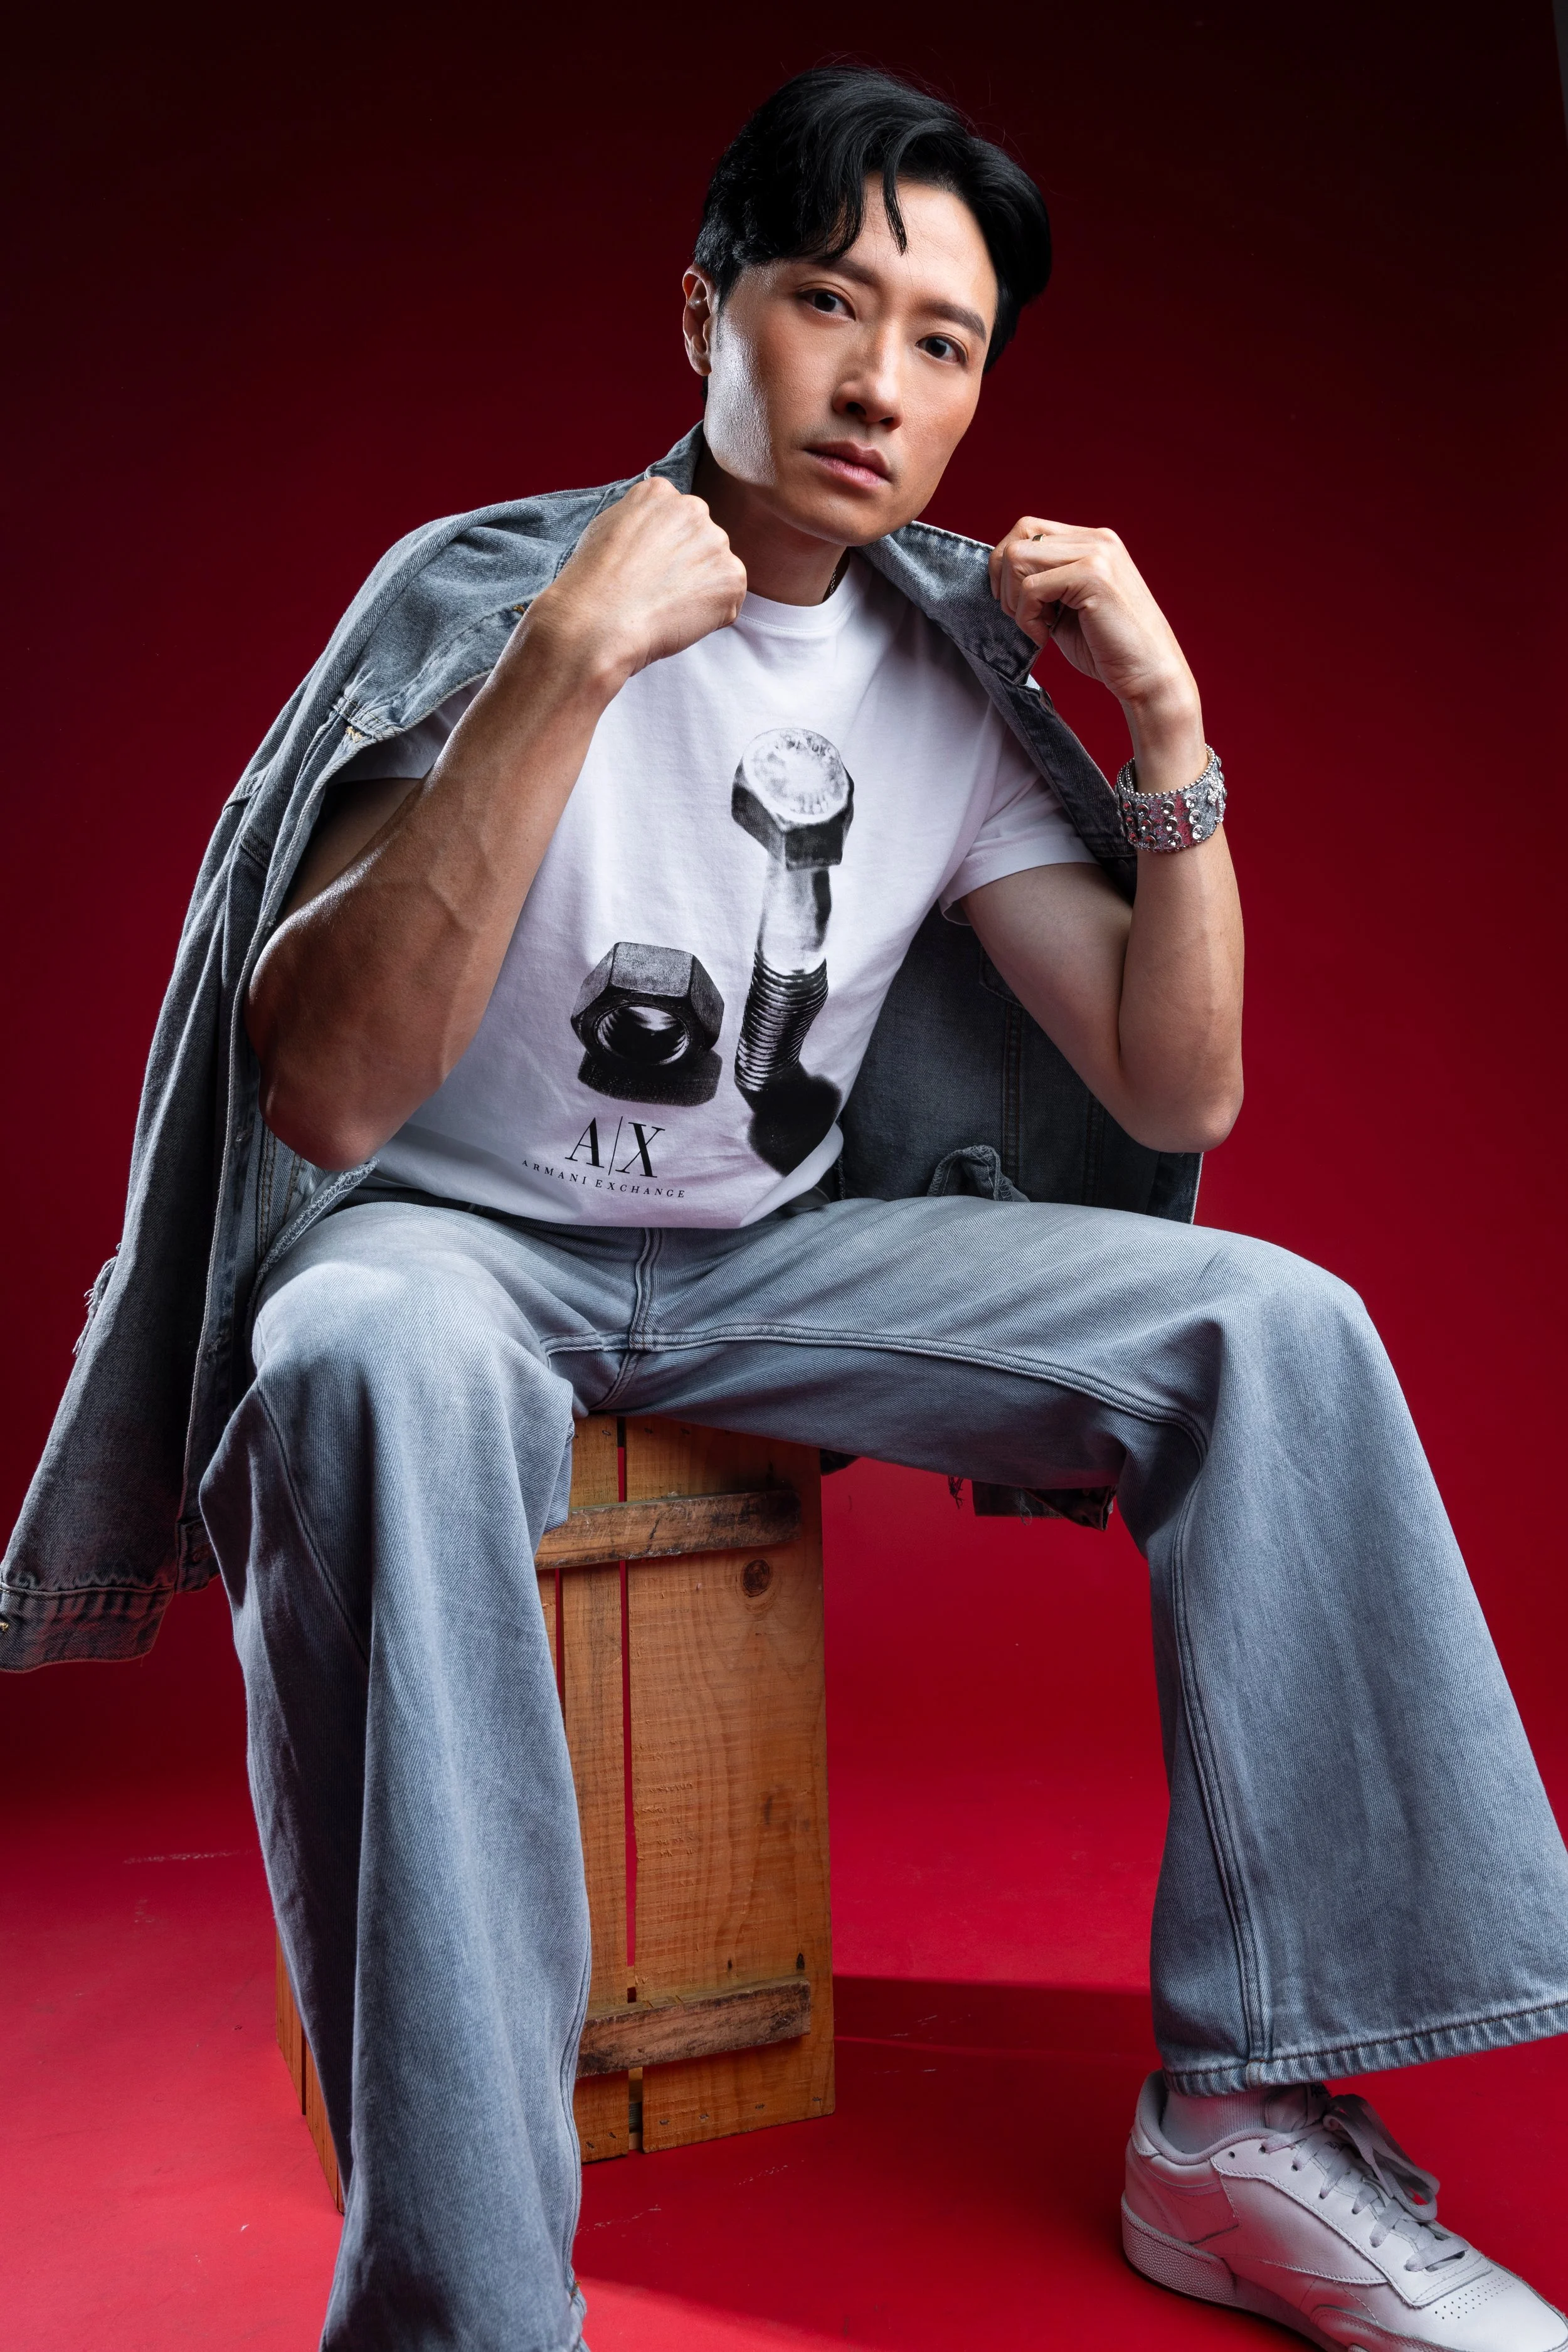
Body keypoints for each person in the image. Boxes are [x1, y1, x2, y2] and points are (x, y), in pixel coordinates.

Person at [5, 63, 1566, 2352]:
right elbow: (325, 1085)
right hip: (448, 1238)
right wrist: (567, 657)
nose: (877, 379)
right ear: (702, 312)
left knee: (1277, 1324)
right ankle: (462, 2303)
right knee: (355, 1348)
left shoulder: (938, 667)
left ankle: (1238, 2134)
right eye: (828, 299)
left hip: (767, 1252)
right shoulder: (485, 589)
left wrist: (1164, 739)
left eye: (942, 340)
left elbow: (1169, 1074)